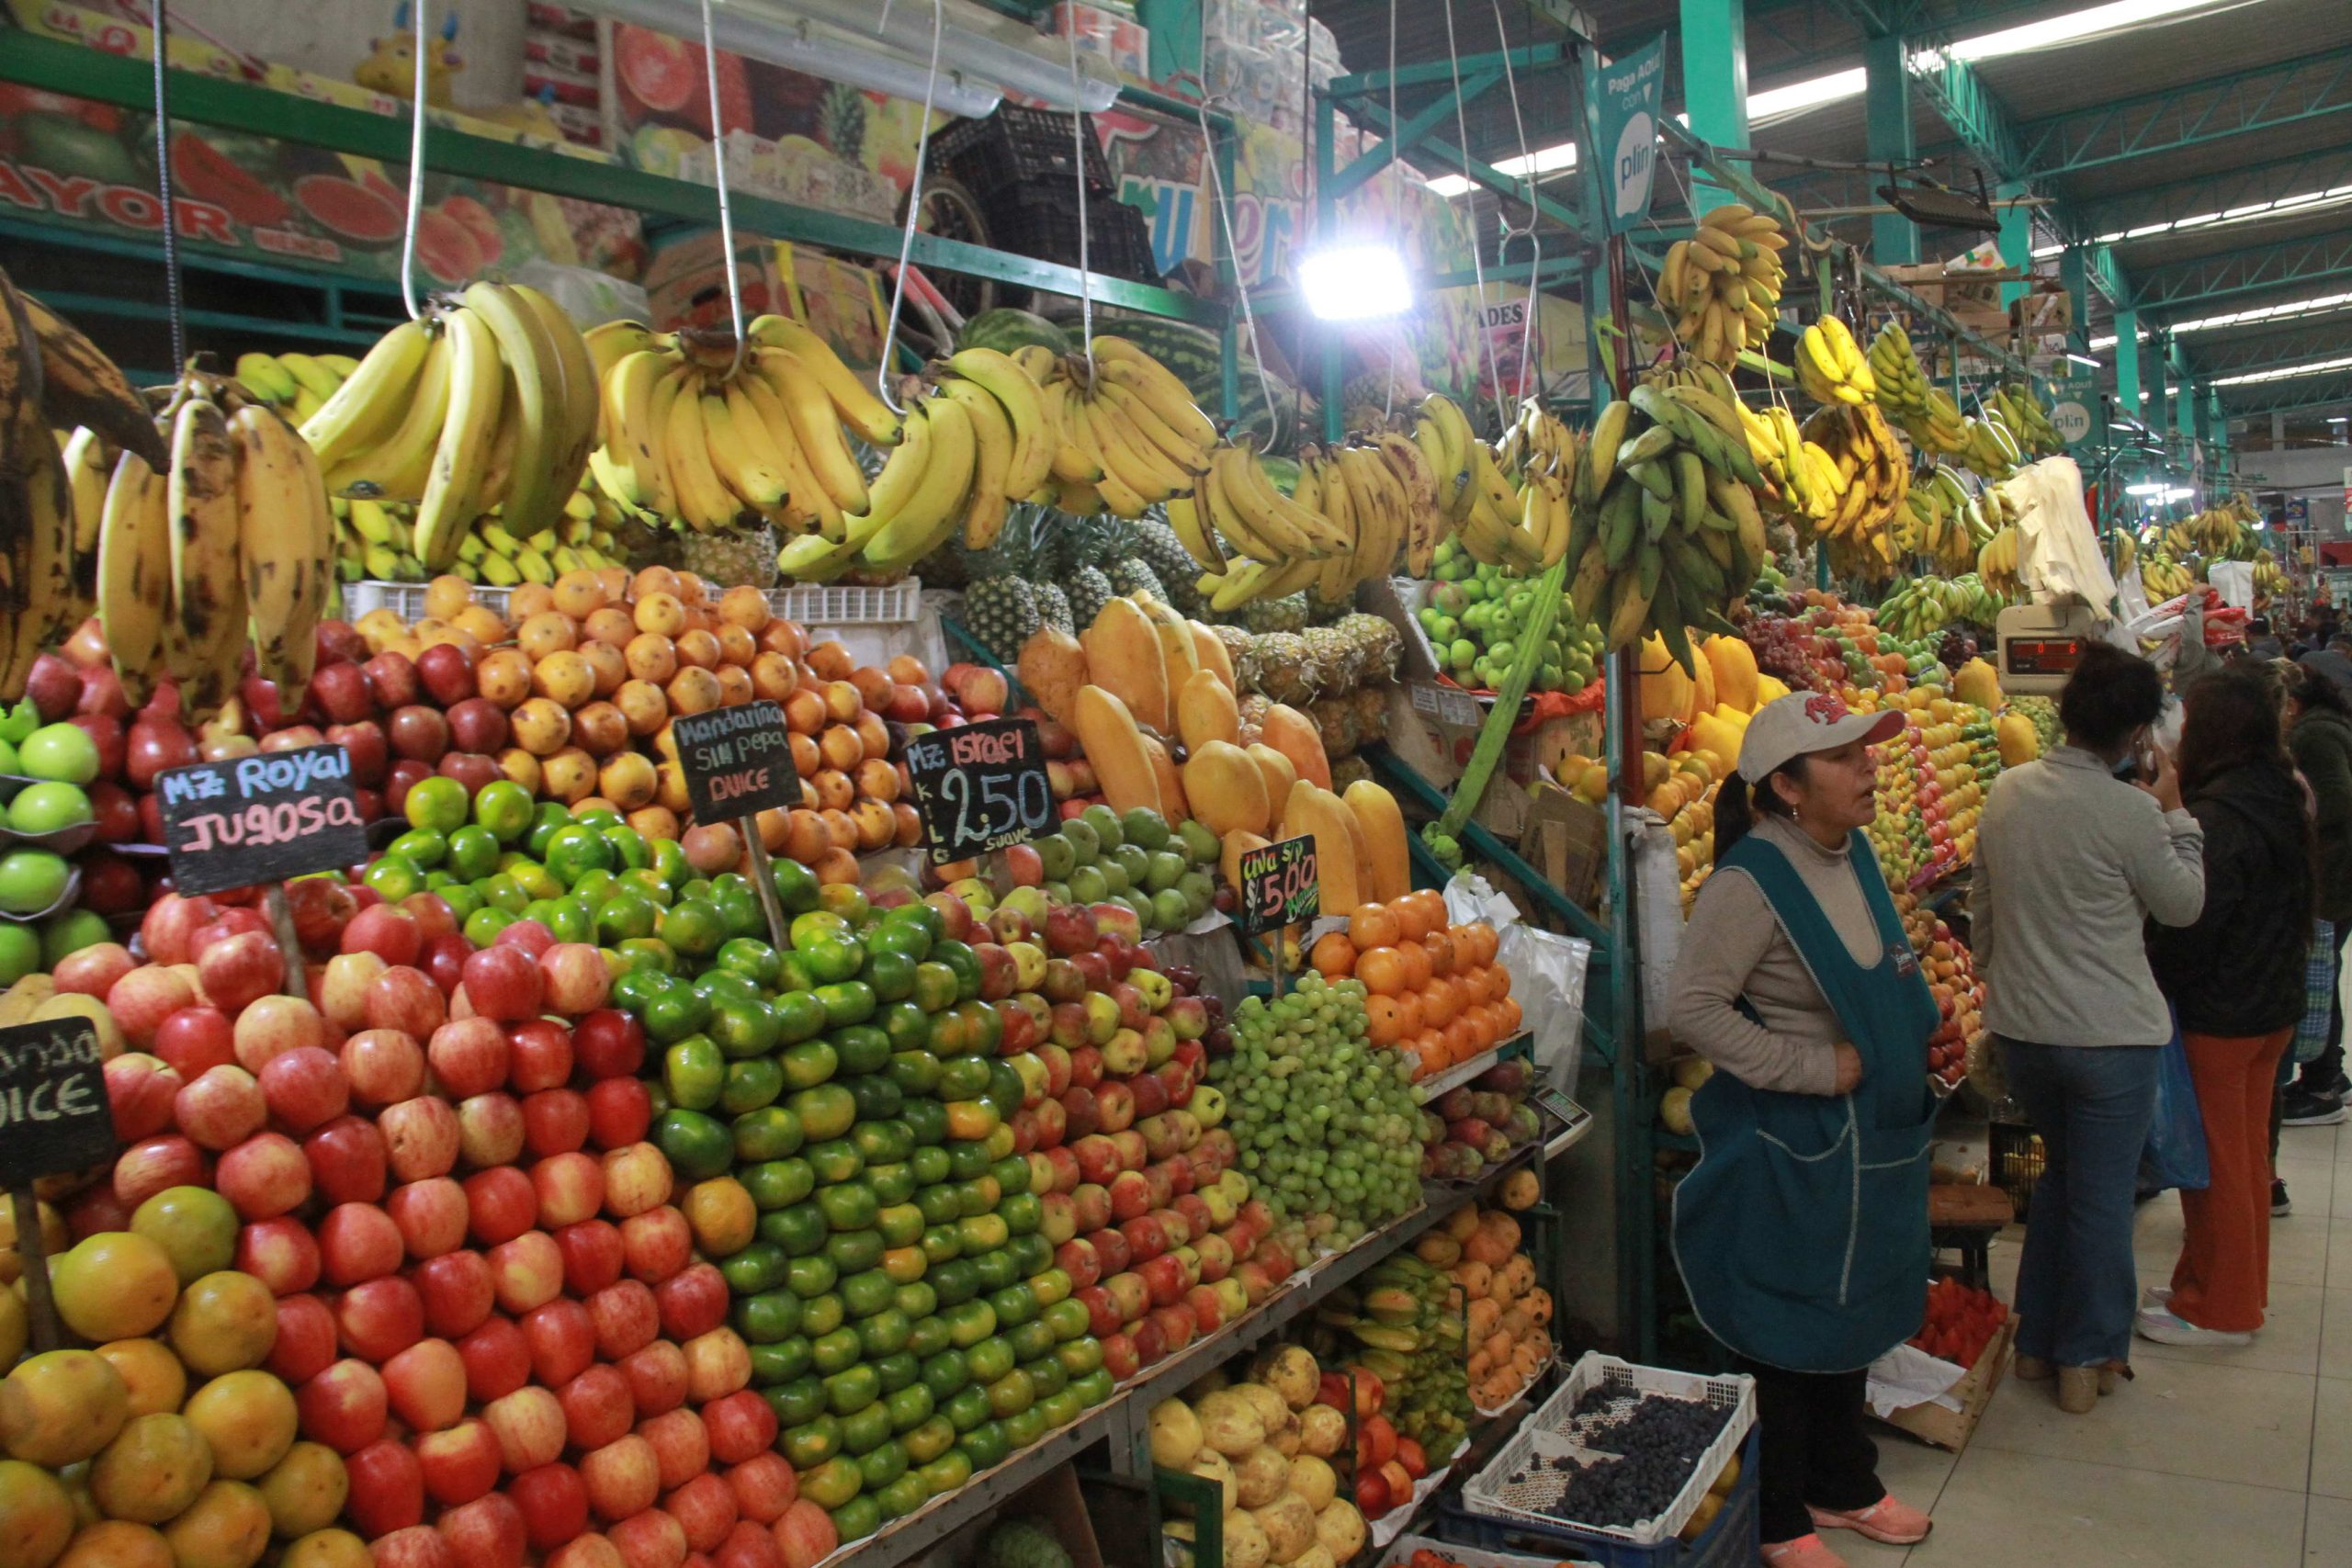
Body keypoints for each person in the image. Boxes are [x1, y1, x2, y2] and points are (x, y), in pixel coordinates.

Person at [1668, 692, 1940, 1568]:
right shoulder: (1749, 882)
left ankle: (1844, 1479)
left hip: (1873, 1142)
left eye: (1866, 749)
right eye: (1844, 756)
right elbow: (1694, 1007)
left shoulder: (1849, 851)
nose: (1868, 765)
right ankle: (1780, 1506)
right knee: (1786, 1327)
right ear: (1786, 785)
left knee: (1851, 1310)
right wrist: (1810, 1068)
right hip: (1797, 1145)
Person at [1971, 642, 2204, 1412]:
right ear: (2138, 734)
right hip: (2110, 1039)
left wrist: (1997, 980)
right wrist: (2180, 818)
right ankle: (2086, 1355)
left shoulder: (2006, 792)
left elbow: (1984, 911)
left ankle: (2035, 1340)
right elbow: (2183, 905)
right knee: (2101, 1201)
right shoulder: (2134, 812)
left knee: (2060, 1183)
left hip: (2026, 1031)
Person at [2140, 671, 2313, 1347]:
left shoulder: (2216, 817)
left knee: (2213, 1165)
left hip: (2223, 1012)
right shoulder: (2279, 794)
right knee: (2242, 1158)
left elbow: (2193, 925)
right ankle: (2217, 1281)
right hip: (2270, 1006)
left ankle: (2223, 1307)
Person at [2283, 667, 2352, 1127]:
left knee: (2320, 969)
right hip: (2334, 869)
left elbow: (2338, 798)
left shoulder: (2315, 735)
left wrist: (2296, 818)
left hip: (2332, 872)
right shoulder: (2325, 726)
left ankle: (2323, 1082)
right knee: (2325, 967)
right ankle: (2330, 1074)